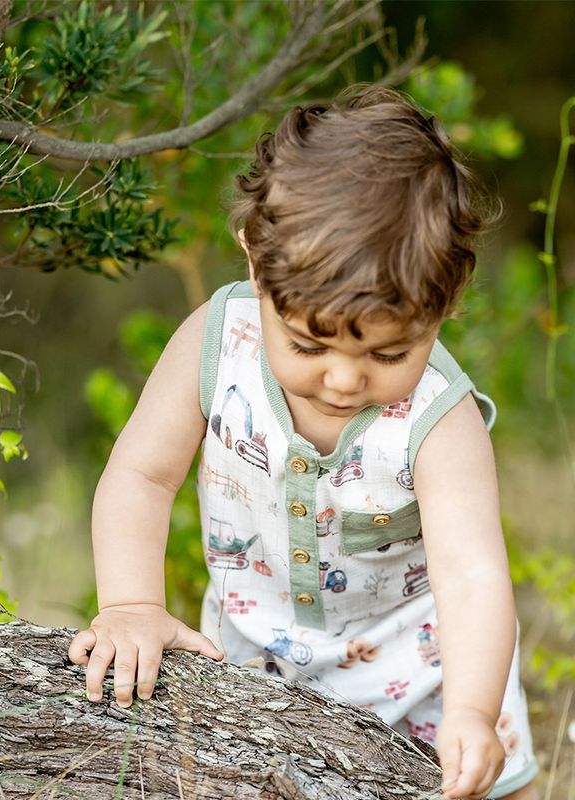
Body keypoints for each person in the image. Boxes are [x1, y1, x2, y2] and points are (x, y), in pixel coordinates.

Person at [69, 85, 539, 800]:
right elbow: (142, 476)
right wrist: (132, 605)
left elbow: (473, 576)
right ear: (255, 267)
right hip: (254, 670)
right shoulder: (216, 343)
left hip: (423, 686)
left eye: (387, 356)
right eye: (308, 343)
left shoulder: (440, 419)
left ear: (440, 310)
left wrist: (471, 712)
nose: (345, 380)